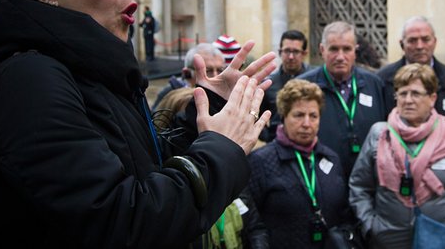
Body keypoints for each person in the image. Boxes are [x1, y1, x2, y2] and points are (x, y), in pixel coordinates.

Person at [0, 0, 275, 248]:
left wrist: (206, 115)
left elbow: (142, 168)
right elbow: (121, 222)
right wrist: (222, 148)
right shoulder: (30, 81)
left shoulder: (95, 74)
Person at [349, 63, 445, 248]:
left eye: (416, 93)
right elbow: (359, 186)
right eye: (402, 93)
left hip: (440, 238)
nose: (408, 100)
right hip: (388, 239)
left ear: (432, 98)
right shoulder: (379, 134)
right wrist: (371, 226)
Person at [151, 87, 269, 249]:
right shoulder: (161, 186)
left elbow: (255, 227)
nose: (203, 131)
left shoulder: (226, 169)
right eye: (189, 125)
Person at [247, 79, 354, 247]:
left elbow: (344, 212)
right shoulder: (260, 161)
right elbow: (252, 223)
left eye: (313, 116)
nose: (306, 124)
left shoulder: (331, 158)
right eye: (298, 115)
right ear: (283, 116)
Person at [298, 21, 392, 179]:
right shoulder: (303, 86)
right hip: (319, 179)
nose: (340, 57)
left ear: (355, 51)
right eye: (334, 49)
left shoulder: (374, 83)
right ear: (322, 50)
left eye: (346, 49)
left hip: (368, 180)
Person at [377, 16, 445, 147]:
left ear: (434, 42)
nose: (420, 46)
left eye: (425, 40)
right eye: (412, 40)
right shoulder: (382, 79)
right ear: (402, 44)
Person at [260, 29, 313, 142]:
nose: (291, 57)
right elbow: (255, 116)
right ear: (280, 52)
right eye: (287, 51)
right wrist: (268, 136)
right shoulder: (269, 83)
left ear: (304, 53)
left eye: (296, 52)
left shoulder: (314, 81)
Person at [152, 43, 226, 111]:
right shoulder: (169, 93)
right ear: (187, 73)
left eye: (220, 70)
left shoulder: (227, 95)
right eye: (208, 71)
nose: (216, 76)